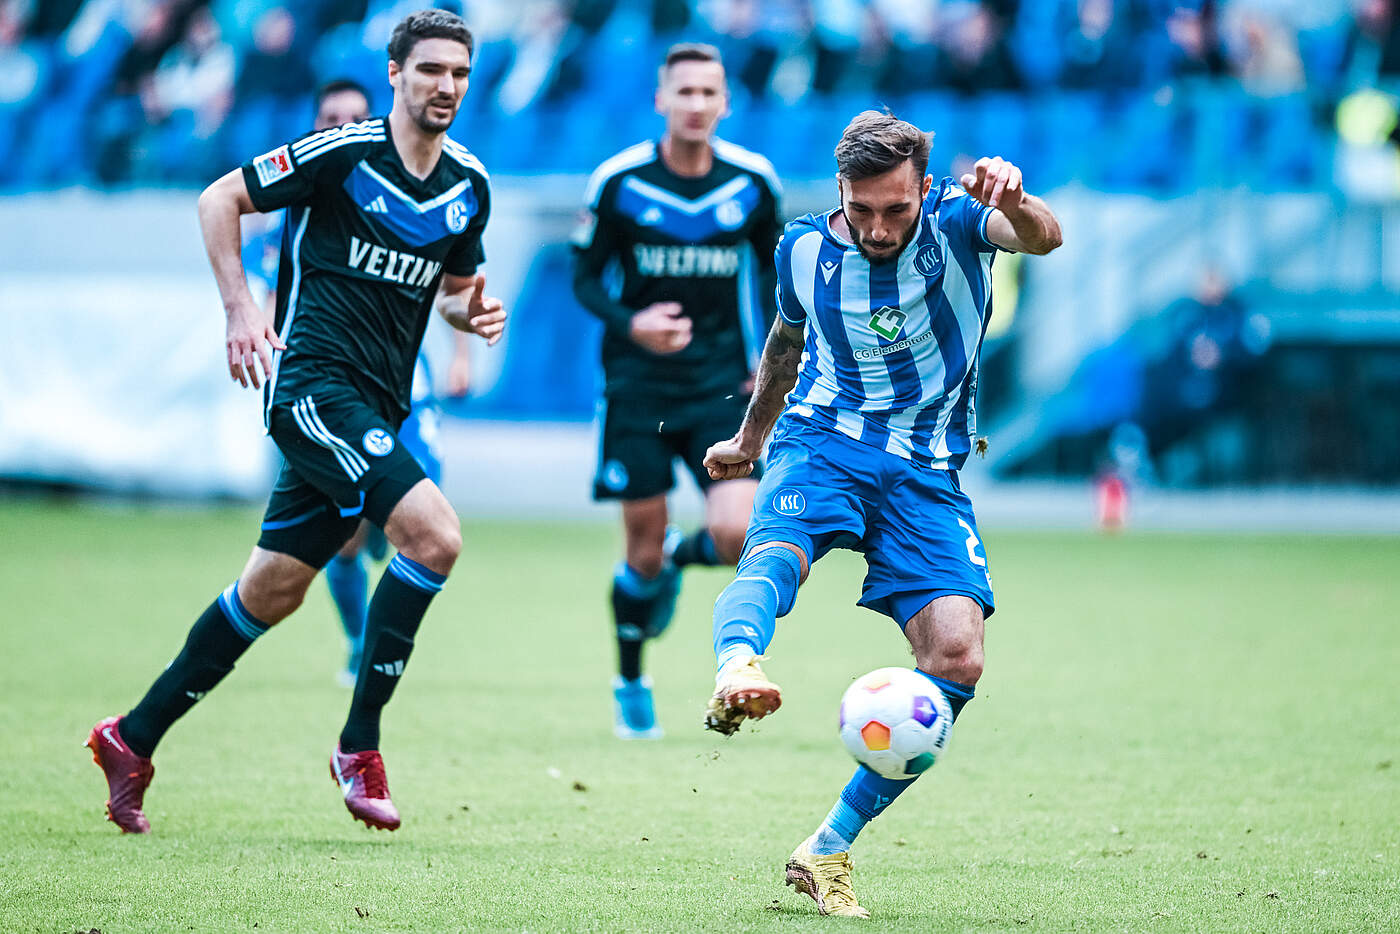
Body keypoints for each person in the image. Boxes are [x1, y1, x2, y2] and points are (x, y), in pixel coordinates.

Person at [85, 9, 505, 834]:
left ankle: (130, 737)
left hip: (378, 404)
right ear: (395, 74)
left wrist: (472, 315)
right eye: (430, 70)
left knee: (270, 591)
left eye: (459, 72)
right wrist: (240, 309)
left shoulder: (469, 185)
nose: (446, 86)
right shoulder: (342, 153)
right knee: (435, 536)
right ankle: (359, 746)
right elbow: (219, 198)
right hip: (313, 390)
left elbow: (456, 294)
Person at [701, 111, 1062, 916]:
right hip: (822, 439)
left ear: (923, 189)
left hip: (926, 470)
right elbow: (785, 344)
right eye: (859, 208)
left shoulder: (961, 221)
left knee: (957, 658)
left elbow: (1043, 237)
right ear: (839, 190)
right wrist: (750, 439)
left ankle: (827, 847)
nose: (876, 228)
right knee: (776, 555)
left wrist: (1016, 199)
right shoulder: (802, 248)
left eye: (895, 209)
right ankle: (738, 667)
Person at [572, 43, 783, 740]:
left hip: (720, 386)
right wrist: (633, 322)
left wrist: (767, 358)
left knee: (737, 533)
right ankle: (631, 681)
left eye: (708, 92)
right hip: (636, 387)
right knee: (637, 551)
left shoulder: (752, 183)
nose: (696, 104)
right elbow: (584, 281)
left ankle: (674, 560)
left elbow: (772, 278)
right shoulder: (619, 182)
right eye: (683, 92)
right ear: (661, 99)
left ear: (726, 103)